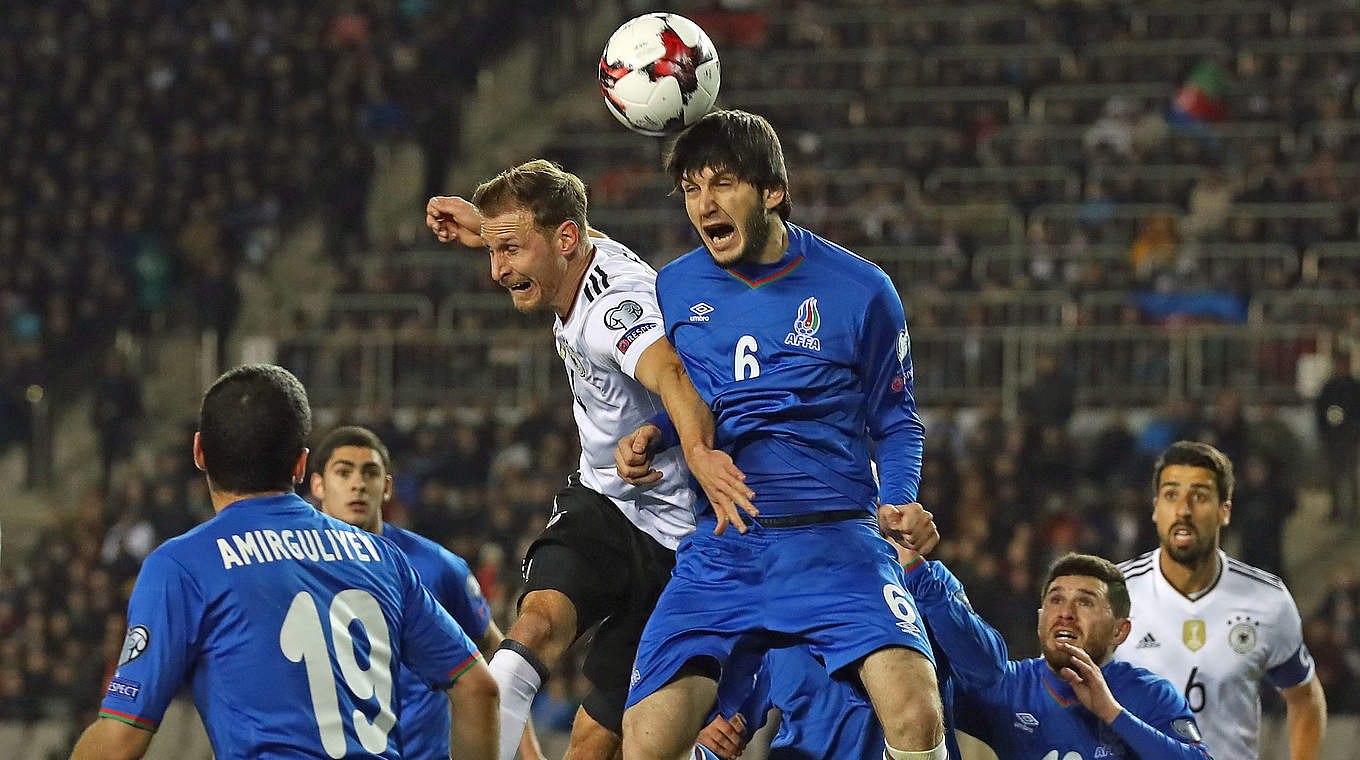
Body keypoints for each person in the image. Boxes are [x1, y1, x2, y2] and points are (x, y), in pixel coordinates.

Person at [616, 110, 944, 760]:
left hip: (836, 541)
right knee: (646, 740)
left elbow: (895, 417)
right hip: (728, 547)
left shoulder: (861, 290)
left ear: (771, 192)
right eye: (690, 189)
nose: (704, 204)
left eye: (724, 184)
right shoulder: (677, 285)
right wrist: (657, 433)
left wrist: (899, 497)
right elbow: (710, 394)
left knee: (916, 713)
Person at [426, 160, 753, 760]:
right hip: (605, 502)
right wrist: (488, 228)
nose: (499, 270)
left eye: (511, 252)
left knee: (596, 738)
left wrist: (701, 454)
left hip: (676, 541)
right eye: (495, 252)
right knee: (536, 625)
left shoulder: (611, 314)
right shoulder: (581, 251)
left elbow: (674, 373)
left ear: (565, 241)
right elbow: (557, 229)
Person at [68, 364, 499, 760]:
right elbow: (478, 686)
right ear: (300, 465)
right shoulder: (382, 555)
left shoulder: (181, 566)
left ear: (199, 453)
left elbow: (120, 741)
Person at [888, 505, 1213, 760]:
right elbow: (920, 693)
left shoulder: (1149, 694)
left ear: (1120, 631)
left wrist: (1112, 713)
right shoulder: (1008, 688)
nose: (1066, 614)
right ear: (1041, 619)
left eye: (1085, 603)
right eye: (1056, 600)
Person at [309, 425, 542, 760]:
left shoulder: (437, 566)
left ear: (387, 487)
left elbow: (498, 655)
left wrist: (530, 751)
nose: (358, 484)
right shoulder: (299, 566)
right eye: (343, 472)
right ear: (318, 484)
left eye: (370, 472)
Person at [1117, 441, 1327, 760]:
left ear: (1224, 511)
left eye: (1199, 496)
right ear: (1156, 508)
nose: (1184, 510)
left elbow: (1305, 698)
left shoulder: (1266, 599)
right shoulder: (1114, 593)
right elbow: (1064, 694)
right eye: (1172, 495)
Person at [1315, 352, 1360, 524]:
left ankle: (1353, 512)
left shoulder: (1354, 387)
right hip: (1332, 438)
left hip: (1349, 437)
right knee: (1333, 475)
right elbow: (1320, 410)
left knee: (1349, 475)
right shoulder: (1330, 387)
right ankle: (1336, 510)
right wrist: (1324, 432)